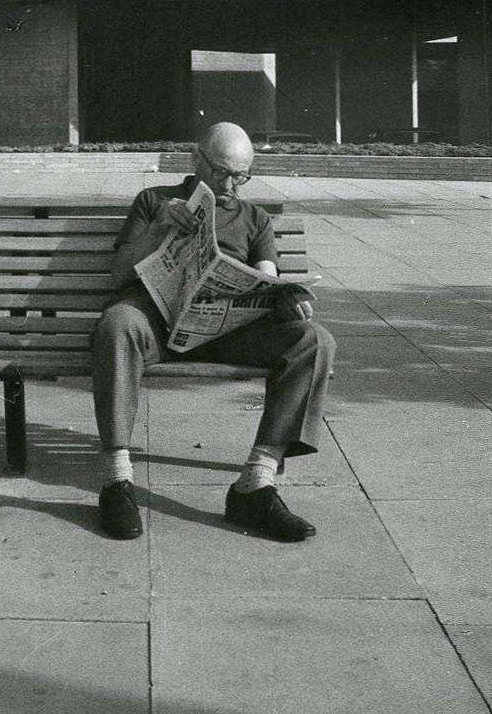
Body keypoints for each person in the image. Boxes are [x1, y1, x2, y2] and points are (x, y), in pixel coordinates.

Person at [91, 121, 335, 542]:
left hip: (227, 331)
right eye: (220, 172)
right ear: (195, 159)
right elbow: (117, 276)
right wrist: (158, 229)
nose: (229, 185)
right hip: (156, 322)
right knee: (117, 322)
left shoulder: (254, 219)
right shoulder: (154, 201)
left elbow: (266, 278)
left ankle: (255, 485)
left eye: (240, 175)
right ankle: (116, 481)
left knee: (314, 341)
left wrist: (283, 299)